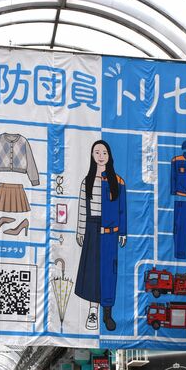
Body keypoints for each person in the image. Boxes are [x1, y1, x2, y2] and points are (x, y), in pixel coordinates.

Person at [75, 140, 127, 332]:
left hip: (110, 233)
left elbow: (122, 210)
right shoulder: (87, 181)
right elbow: (82, 208)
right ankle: (93, 311)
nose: (101, 156)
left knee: (109, 273)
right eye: (97, 152)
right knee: (92, 272)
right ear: (92, 155)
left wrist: (122, 232)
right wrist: (80, 230)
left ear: (109, 156)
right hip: (91, 228)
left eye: (104, 152)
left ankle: (107, 313)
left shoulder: (118, 182)